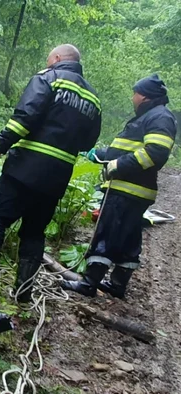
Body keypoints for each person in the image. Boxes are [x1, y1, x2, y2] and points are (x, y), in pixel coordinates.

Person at [0, 44, 102, 302]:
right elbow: (88, 144)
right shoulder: (93, 99)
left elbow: (23, 119)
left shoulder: (49, 78)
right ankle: (23, 292)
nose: (48, 63)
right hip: (56, 177)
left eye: (50, 59)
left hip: (24, 169)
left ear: (58, 58)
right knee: (34, 232)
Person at [61, 74, 177, 299]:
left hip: (127, 189)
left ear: (144, 96)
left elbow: (156, 152)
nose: (132, 98)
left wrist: (117, 166)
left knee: (107, 233)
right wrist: (99, 155)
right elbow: (127, 149)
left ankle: (89, 283)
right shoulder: (150, 117)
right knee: (128, 237)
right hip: (133, 191)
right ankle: (117, 285)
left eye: (135, 94)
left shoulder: (159, 117)